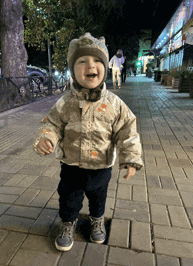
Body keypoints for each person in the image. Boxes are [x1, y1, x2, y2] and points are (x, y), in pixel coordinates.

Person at [33, 33, 143, 252]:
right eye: (82, 62)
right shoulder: (65, 102)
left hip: (101, 166)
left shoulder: (114, 103)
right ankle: (67, 223)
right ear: (73, 71)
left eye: (96, 61)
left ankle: (97, 220)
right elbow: (52, 124)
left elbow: (127, 130)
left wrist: (130, 158)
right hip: (71, 165)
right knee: (69, 198)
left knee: (98, 198)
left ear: (104, 67)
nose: (90, 66)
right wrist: (46, 138)